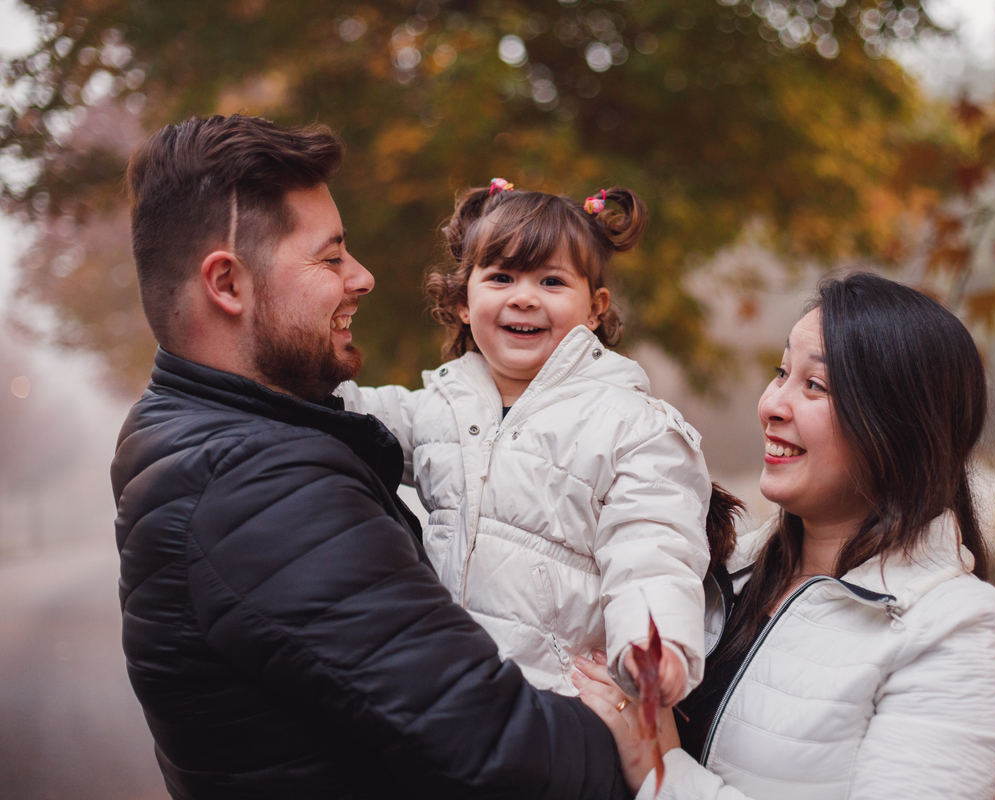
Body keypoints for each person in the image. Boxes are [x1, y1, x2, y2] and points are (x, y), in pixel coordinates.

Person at [110, 114, 631, 800]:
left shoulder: (193, 428)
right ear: (228, 285)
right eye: (330, 258)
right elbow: (505, 750)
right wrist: (641, 737)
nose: (364, 277)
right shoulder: (259, 490)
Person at [574, 272, 995, 800]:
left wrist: (662, 769)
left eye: (815, 385)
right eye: (781, 372)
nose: (772, 405)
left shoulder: (951, 628)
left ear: (897, 427)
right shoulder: (710, 570)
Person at [337, 181, 717, 704]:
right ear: (463, 301)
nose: (523, 296)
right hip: (443, 694)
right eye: (501, 277)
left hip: (554, 703)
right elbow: (343, 412)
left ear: (594, 309)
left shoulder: (629, 425)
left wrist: (653, 643)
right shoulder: (437, 406)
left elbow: (652, 546)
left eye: (551, 280)